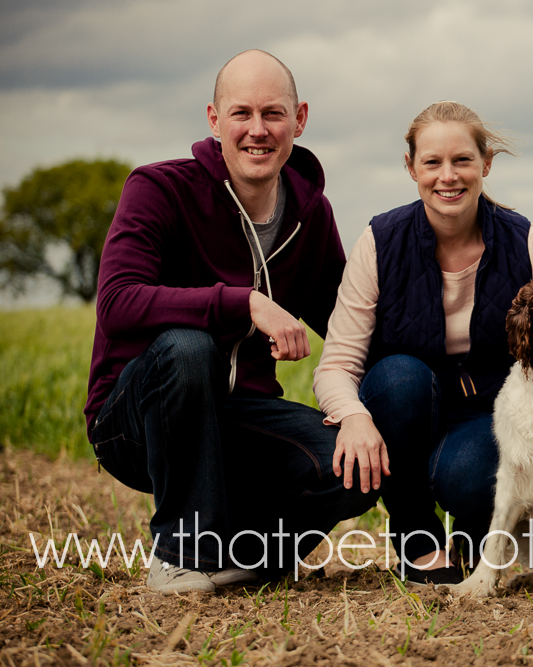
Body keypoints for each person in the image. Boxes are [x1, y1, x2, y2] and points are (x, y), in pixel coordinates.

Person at [85, 50, 377, 594]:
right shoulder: (158, 189)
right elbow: (118, 302)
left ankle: (244, 560)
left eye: (273, 113)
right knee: (188, 347)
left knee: (352, 465)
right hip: (137, 420)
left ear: (299, 119)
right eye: (241, 113)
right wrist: (245, 303)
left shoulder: (310, 214)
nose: (257, 130)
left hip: (238, 418)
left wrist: (369, 409)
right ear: (215, 120)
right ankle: (180, 556)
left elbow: (350, 323)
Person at [312, 101, 533, 585]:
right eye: (432, 162)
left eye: (462, 160)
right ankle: (418, 540)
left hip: (486, 415)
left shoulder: (527, 240)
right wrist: (353, 416)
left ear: (486, 164)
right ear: (411, 167)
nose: (448, 176)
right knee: (398, 377)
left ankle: (474, 537)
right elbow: (336, 365)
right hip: (403, 407)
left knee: (473, 475)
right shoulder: (380, 241)